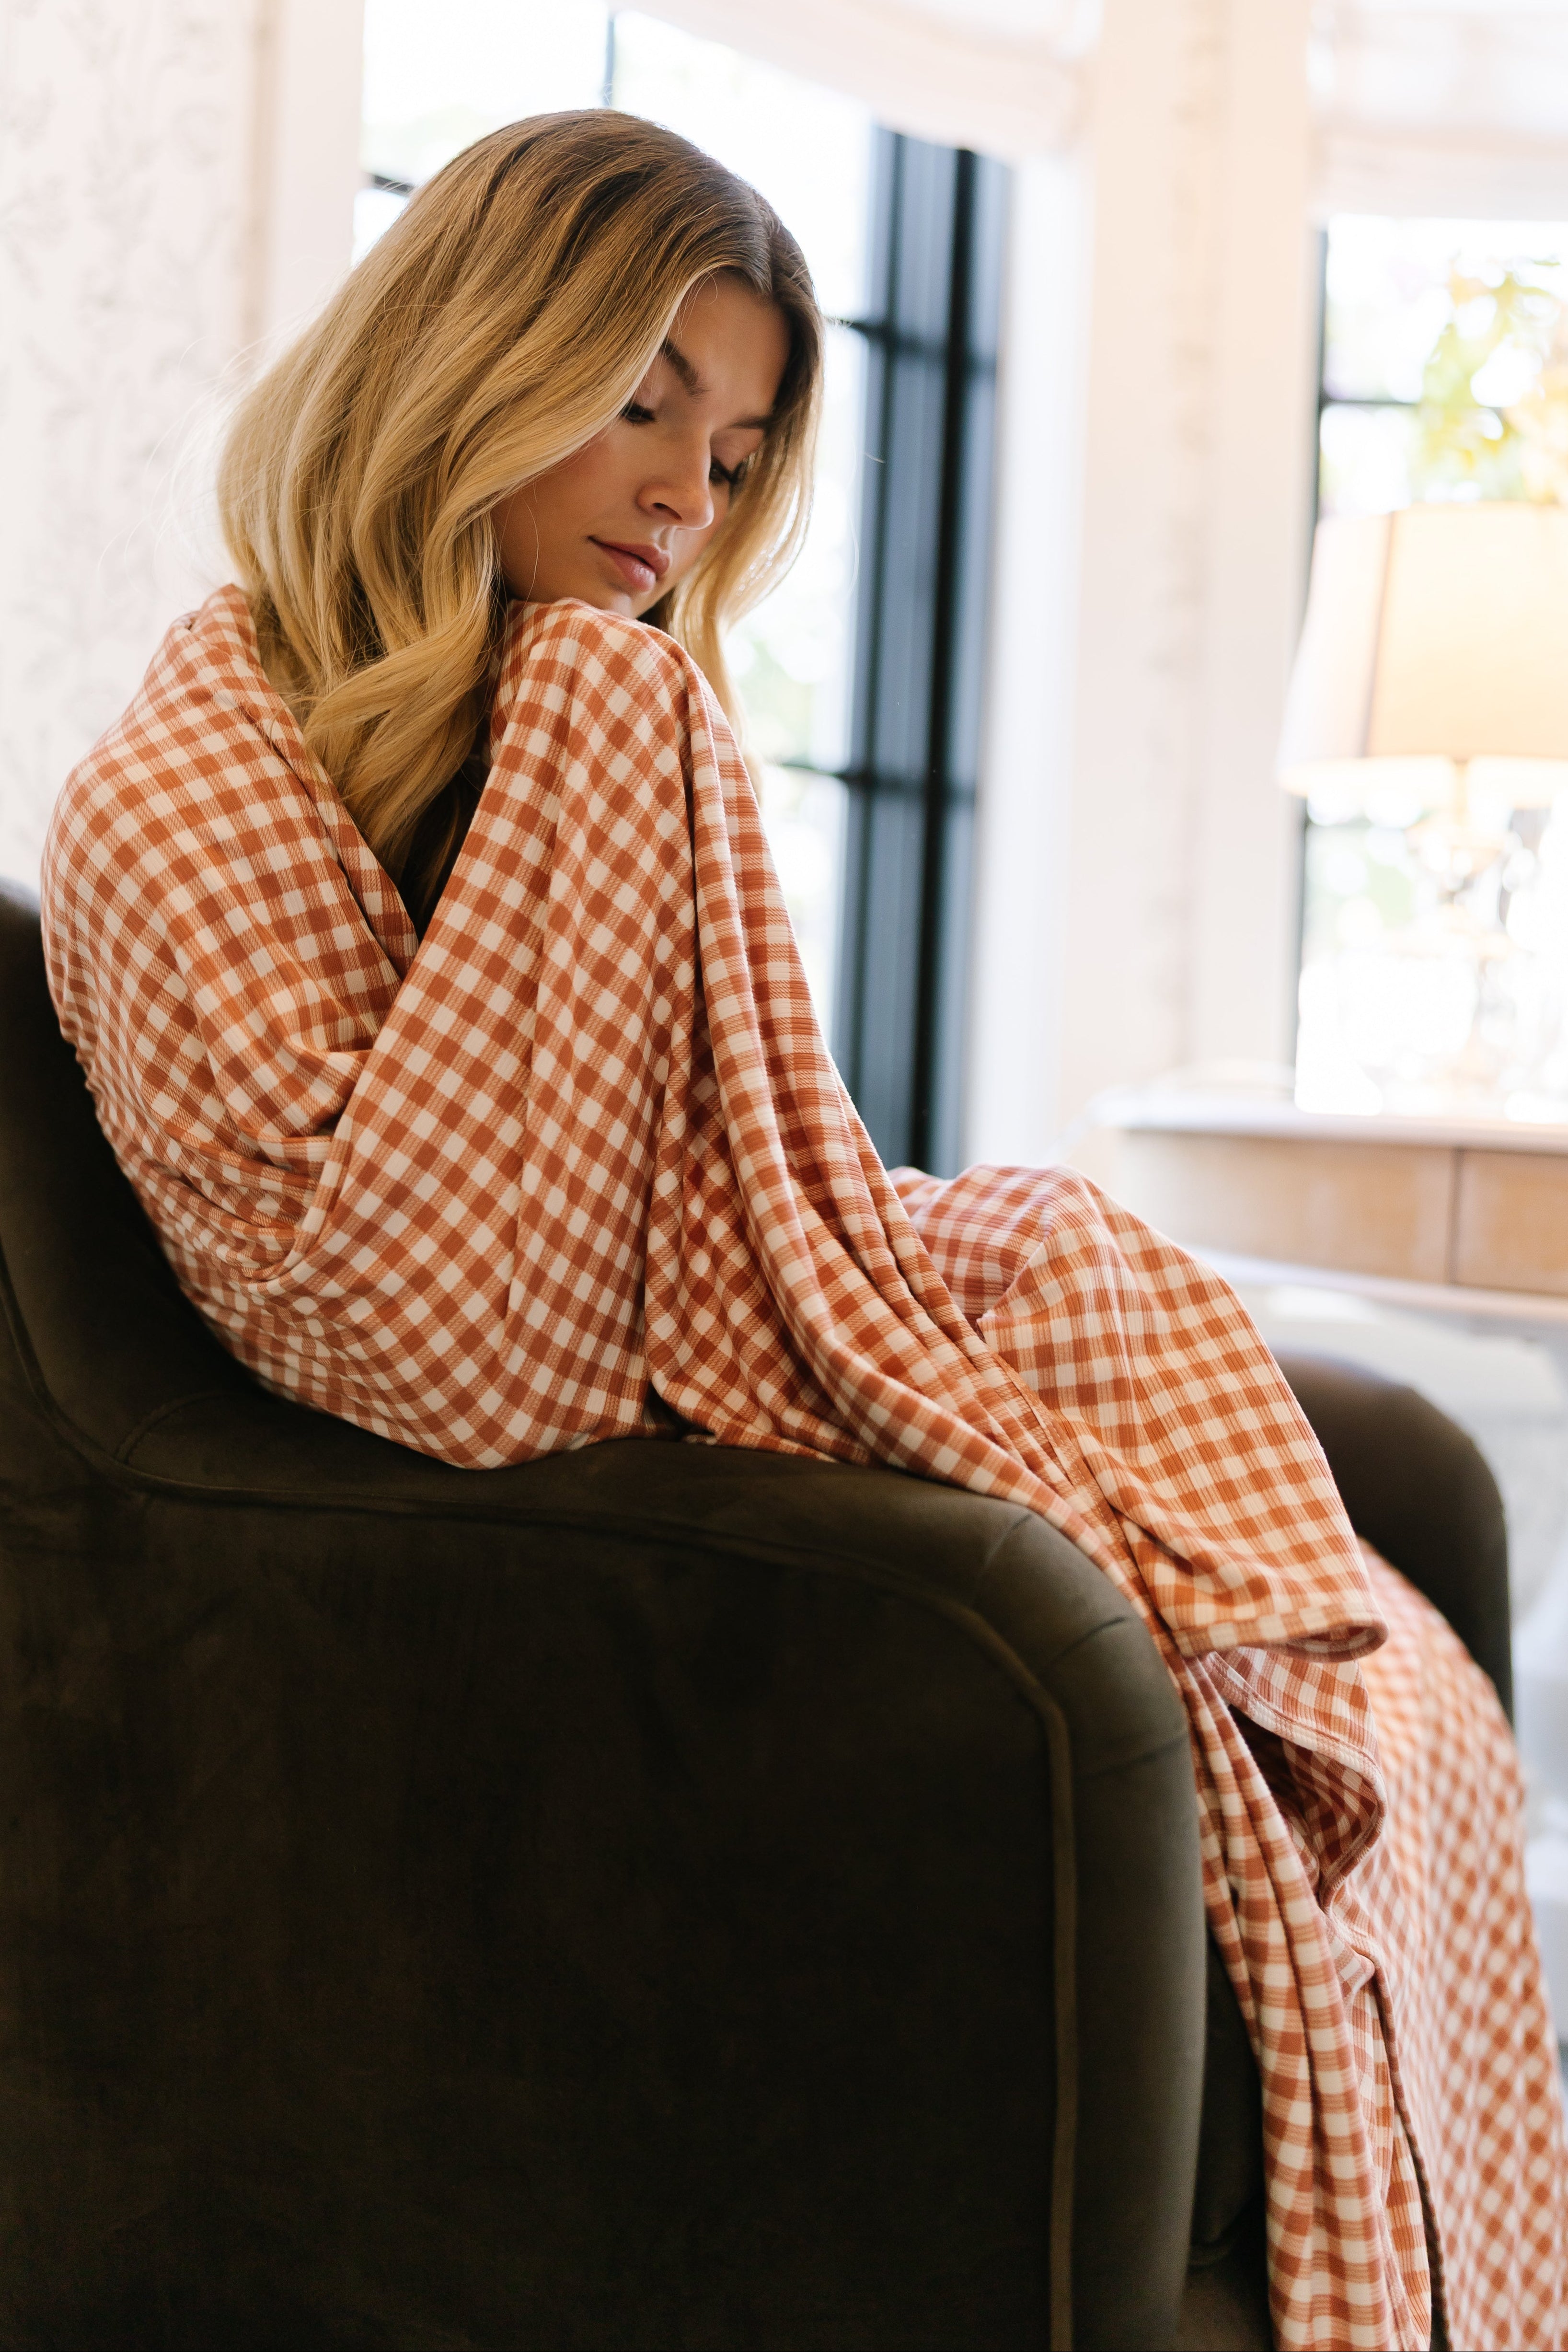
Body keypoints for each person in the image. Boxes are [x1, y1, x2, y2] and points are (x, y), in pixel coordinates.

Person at [39, 109, 1567, 2352]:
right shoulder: (207, 792)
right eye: (639, 398)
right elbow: (464, 1362)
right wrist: (595, 709)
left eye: (737, 455)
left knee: (1287, 1446)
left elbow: (731, 1185)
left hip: (774, 1349)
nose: (686, 494)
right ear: (462, 352)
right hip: (472, 1580)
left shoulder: (531, 720)